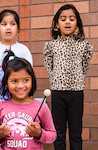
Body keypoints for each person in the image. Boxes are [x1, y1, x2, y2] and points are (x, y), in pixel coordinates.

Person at [0, 9, 33, 150]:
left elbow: (30, 77)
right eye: (4, 24)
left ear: (18, 28)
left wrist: (28, 97)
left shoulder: (23, 50)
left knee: (16, 127)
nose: (8, 27)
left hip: (18, 95)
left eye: (12, 24)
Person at [43, 4, 93, 150]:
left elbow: (84, 66)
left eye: (72, 19)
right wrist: (57, 79)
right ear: (57, 25)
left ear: (77, 24)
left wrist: (76, 80)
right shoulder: (51, 46)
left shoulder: (84, 46)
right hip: (58, 93)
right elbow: (49, 66)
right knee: (59, 133)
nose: (67, 22)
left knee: (75, 133)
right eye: (63, 19)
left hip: (76, 93)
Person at [0, 56, 57, 149]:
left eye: (26, 80)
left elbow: (52, 136)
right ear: (6, 84)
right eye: (14, 81)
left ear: (32, 81)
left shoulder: (42, 107)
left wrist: (39, 133)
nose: (20, 86)